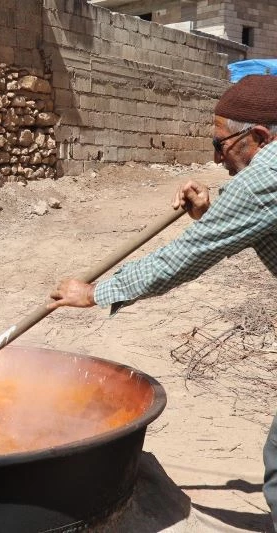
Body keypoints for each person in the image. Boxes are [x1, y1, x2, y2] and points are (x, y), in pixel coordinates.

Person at [47, 74, 277, 527]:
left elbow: (188, 255)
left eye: (220, 145)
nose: (216, 159)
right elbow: (252, 222)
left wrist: (96, 292)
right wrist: (213, 213)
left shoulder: (267, 174)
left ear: (259, 136)